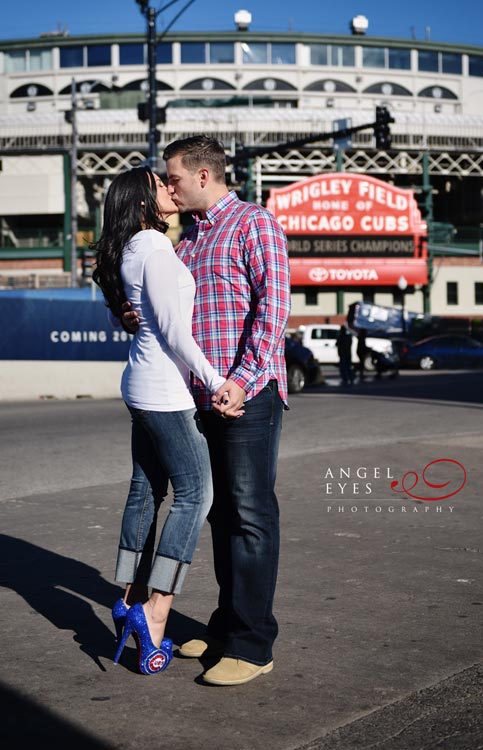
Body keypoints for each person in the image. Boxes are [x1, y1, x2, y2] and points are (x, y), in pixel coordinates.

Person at [124, 135, 290, 686]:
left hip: (247, 397)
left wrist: (241, 381)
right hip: (195, 399)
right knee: (218, 514)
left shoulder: (253, 223)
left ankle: (252, 643)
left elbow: (273, 309)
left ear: (201, 175)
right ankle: (223, 627)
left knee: (248, 515)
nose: (166, 187)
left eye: (171, 178)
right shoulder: (186, 240)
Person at [91, 165, 234, 675]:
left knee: (145, 490)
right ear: (144, 200)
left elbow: (128, 313)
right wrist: (218, 382)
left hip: (138, 383)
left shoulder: (129, 248)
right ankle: (155, 612)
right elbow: (176, 333)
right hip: (164, 390)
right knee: (197, 495)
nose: (171, 189)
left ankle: (126, 598)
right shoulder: (154, 248)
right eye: (161, 185)